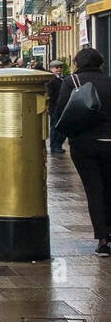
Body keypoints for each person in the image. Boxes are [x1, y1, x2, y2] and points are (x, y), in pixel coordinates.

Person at [53, 47, 111, 256]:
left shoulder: (72, 82)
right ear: (100, 64)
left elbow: (60, 112)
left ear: (77, 63)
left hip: (84, 144)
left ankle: (103, 241)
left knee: (94, 190)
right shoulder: (109, 81)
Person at [48, 59, 67, 154]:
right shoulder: (51, 80)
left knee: (62, 127)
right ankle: (54, 146)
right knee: (55, 127)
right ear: (51, 69)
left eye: (60, 67)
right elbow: (50, 95)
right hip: (55, 107)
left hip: (62, 107)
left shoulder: (62, 78)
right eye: (56, 67)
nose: (59, 69)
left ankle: (58, 144)